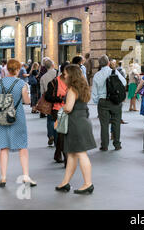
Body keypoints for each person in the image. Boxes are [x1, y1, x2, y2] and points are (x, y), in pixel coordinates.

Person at [55, 65, 96, 194]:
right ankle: (65, 182)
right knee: (72, 154)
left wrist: (62, 108)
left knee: (80, 154)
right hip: (82, 121)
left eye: (66, 73)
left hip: (75, 123)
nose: (64, 75)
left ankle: (88, 183)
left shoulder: (72, 89)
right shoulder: (83, 88)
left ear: (71, 75)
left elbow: (68, 108)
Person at [0, 59, 36, 188]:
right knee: (22, 147)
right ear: (17, 69)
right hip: (17, 117)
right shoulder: (21, 84)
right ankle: (25, 176)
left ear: (7, 69)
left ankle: (3, 177)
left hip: (2, 117)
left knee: (3, 147)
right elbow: (27, 101)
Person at [92, 55, 126, 151]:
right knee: (116, 123)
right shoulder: (114, 72)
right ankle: (117, 144)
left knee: (104, 125)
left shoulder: (97, 75)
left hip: (103, 102)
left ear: (99, 64)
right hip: (115, 101)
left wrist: (96, 101)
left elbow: (94, 93)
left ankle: (105, 145)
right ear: (108, 63)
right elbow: (123, 82)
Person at [45, 61, 70, 164]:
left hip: (69, 110)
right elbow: (48, 97)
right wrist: (59, 99)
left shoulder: (72, 82)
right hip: (57, 110)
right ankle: (66, 157)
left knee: (63, 134)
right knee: (61, 134)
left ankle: (57, 153)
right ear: (63, 71)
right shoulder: (54, 82)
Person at [40, 58, 58, 146]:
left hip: (48, 99)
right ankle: (56, 137)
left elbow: (42, 91)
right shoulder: (58, 73)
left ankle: (50, 135)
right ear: (53, 65)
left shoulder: (43, 77)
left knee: (50, 119)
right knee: (57, 119)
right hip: (58, 99)